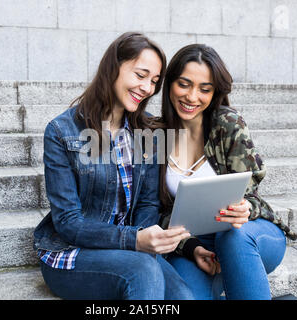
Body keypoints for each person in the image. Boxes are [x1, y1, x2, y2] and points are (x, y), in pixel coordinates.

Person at [33, 32, 194, 300]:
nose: (147, 88)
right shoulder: (62, 131)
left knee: (184, 298)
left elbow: (148, 204)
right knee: (142, 271)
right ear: (113, 68)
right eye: (140, 75)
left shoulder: (149, 131)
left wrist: (143, 238)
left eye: (154, 81)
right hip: (72, 254)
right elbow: (68, 222)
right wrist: (134, 240)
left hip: (131, 251)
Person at [158, 44, 297, 300]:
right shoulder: (155, 136)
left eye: (204, 89)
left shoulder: (228, 125)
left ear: (215, 92)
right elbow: (155, 211)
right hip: (194, 243)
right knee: (185, 297)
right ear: (170, 84)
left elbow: (251, 196)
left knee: (232, 238)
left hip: (249, 234)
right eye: (184, 84)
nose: (192, 96)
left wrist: (245, 208)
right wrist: (189, 247)